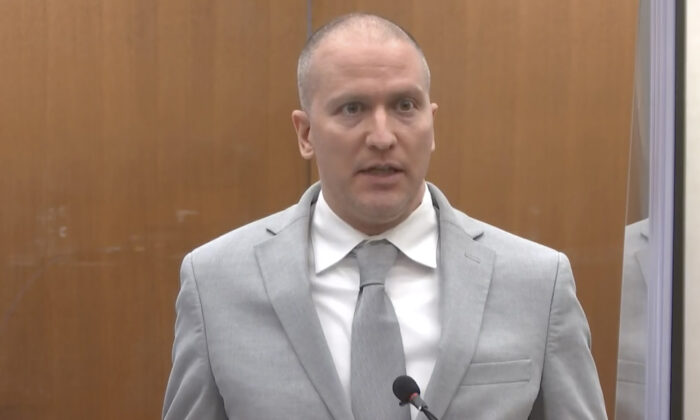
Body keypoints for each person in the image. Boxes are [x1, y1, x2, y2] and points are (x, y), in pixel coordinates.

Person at [163, 13, 607, 420]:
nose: (382, 136)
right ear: (306, 133)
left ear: (431, 125)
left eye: (404, 106)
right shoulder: (215, 283)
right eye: (352, 108)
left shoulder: (537, 282)